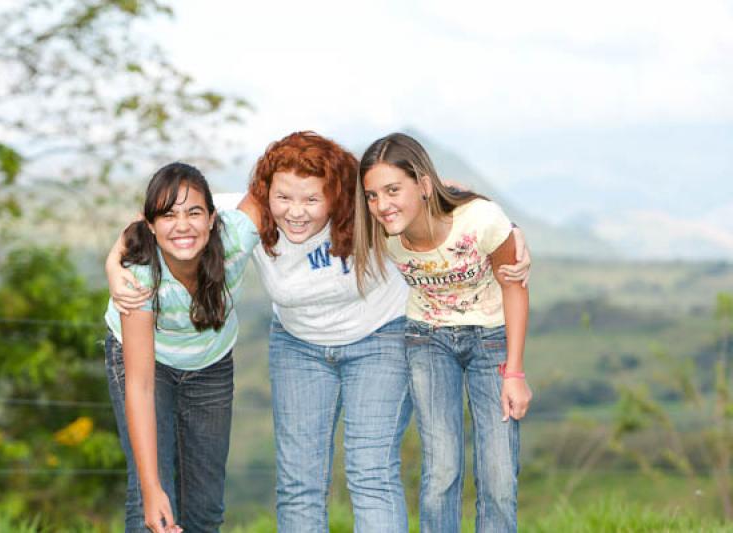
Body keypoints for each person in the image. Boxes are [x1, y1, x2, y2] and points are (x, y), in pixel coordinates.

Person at [109, 132, 532, 533]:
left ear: (335, 194)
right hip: (298, 347)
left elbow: (431, 190)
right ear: (266, 194)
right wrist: (116, 263)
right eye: (284, 197)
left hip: (377, 338)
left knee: (371, 474)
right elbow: (163, 212)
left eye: (312, 199)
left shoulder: (365, 203)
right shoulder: (248, 217)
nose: (296, 211)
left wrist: (509, 229)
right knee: (299, 485)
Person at [353, 132, 532, 533]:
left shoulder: (479, 221)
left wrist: (515, 373)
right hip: (428, 341)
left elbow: (514, 288)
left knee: (499, 475)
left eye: (393, 190)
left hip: (491, 340)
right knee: (441, 471)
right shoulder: (381, 231)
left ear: (423, 184)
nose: (382, 205)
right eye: (372, 195)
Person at [103, 162, 259, 533]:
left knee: (205, 510)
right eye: (169, 215)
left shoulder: (237, 236)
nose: (183, 225)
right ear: (151, 225)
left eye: (193, 212)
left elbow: (273, 184)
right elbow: (140, 387)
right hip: (147, 362)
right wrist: (153, 488)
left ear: (212, 218)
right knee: (151, 505)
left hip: (211, 362)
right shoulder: (138, 273)